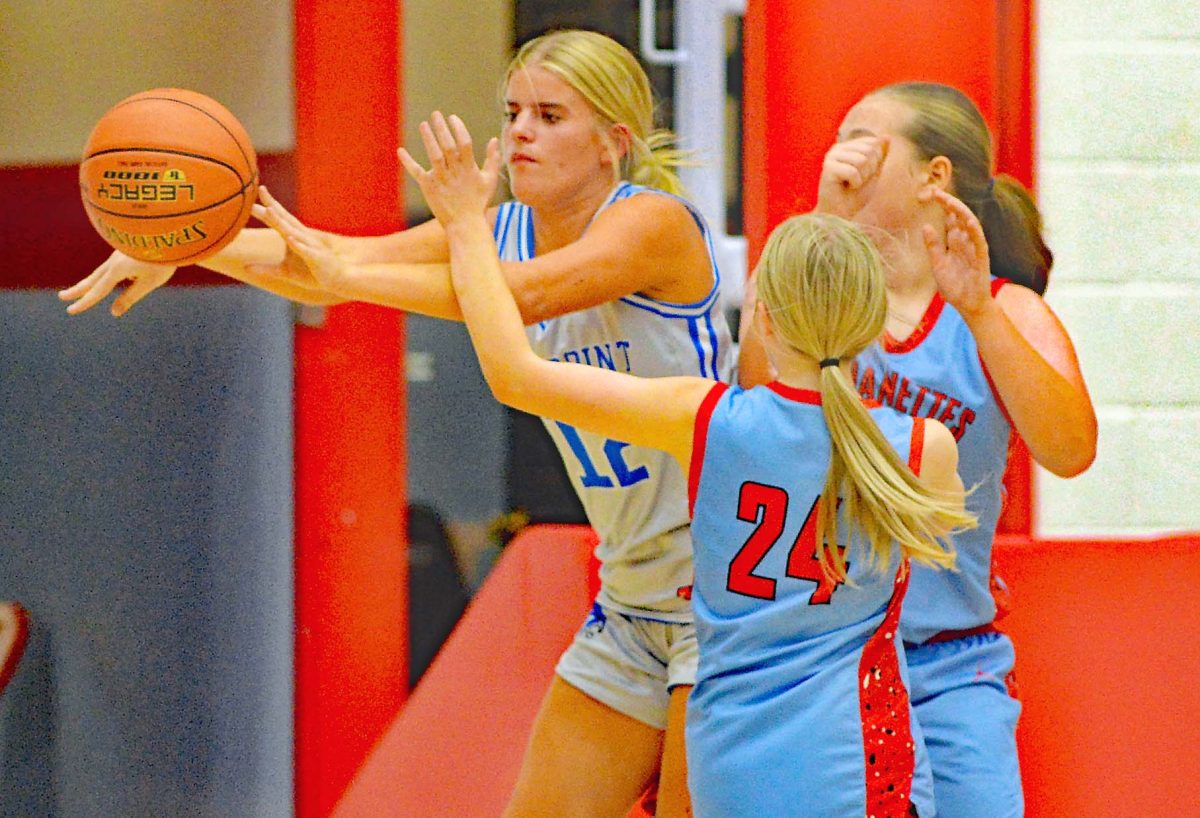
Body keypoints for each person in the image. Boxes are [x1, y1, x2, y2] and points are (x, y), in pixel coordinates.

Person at [62, 30, 732, 817]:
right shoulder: (498, 233)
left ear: (614, 141)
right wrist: (187, 245)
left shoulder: (653, 223)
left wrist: (383, 262)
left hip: (719, 586)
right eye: (513, 111)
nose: (519, 131)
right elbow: (333, 261)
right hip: (631, 589)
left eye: (550, 115)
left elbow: (521, 299)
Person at [313, 110, 976, 816]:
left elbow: (515, 374)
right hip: (854, 762)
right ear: (874, 322)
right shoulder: (922, 447)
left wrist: (469, 228)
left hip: (728, 764)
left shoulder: (707, 419)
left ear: (767, 317)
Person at [741, 82, 1098, 818]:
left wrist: (976, 312)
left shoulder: (1004, 310)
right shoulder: (823, 302)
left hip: (948, 660)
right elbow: (754, 404)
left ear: (933, 176)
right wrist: (824, 222)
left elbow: (1069, 451)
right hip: (824, 657)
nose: (843, 154)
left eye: (866, 139)